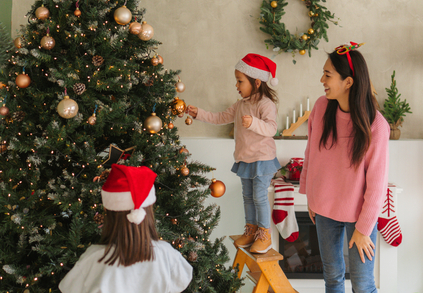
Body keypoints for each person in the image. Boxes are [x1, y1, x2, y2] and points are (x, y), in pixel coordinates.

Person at [299, 43, 389, 293]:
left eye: (328, 75)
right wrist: (311, 196)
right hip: (324, 210)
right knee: (332, 278)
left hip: (359, 216)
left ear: (348, 82)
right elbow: (312, 154)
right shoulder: (320, 107)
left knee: (363, 284)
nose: (321, 80)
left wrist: (363, 229)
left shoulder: (376, 125)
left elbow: (377, 184)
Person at [186, 53, 281, 254]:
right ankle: (251, 229)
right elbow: (221, 117)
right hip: (246, 159)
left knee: (259, 197)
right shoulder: (240, 105)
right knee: (247, 196)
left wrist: (254, 123)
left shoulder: (265, 104)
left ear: (256, 82)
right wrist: (199, 114)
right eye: (236, 81)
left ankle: (265, 236)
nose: (236, 85)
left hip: (262, 160)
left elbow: (272, 129)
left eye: (240, 81)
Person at [59, 165, 193, 293]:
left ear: (108, 212)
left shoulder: (93, 258)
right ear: (149, 212)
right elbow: (181, 281)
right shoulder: (167, 254)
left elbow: (69, 287)